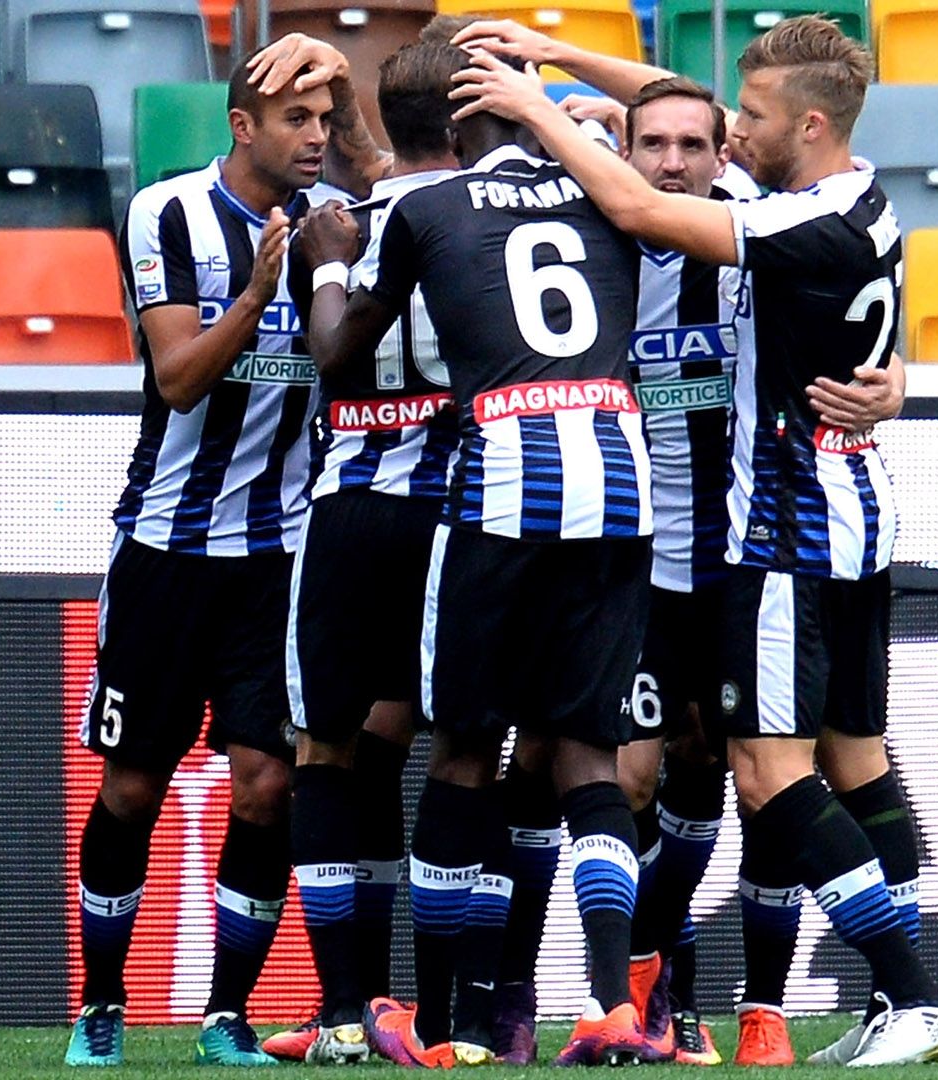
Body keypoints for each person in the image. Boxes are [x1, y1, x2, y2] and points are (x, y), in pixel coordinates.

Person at [452, 15, 938, 1067]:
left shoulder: (781, 224)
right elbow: (681, 122)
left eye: (748, 124)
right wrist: (566, 64)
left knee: (769, 774)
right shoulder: (854, 196)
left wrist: (534, 108)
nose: (726, 140)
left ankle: (912, 993)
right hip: (841, 516)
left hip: (784, 526)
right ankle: (879, 998)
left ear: (809, 125)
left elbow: (642, 200)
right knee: (851, 764)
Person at [303, 60, 657, 1067]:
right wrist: (571, 103)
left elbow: (337, 355)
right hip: (620, 475)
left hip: (504, 479)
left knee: (463, 750)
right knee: (588, 757)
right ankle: (608, 1006)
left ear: (457, 128)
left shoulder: (431, 208)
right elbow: (693, 119)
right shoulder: (608, 185)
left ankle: (445, 1018)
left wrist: (331, 263)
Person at [66, 34, 385, 1069]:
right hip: (166, 547)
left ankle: (226, 1013)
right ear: (241, 126)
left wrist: (343, 73)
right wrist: (255, 296)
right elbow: (178, 381)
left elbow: (394, 172)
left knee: (266, 786)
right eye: (297, 118)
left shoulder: (341, 227)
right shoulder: (167, 214)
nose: (317, 136)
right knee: (130, 790)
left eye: (325, 119)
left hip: (280, 559)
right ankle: (102, 1002)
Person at [271, 41, 468, 1066]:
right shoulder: (487, 214)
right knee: (458, 750)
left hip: (349, 507)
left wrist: (330, 263)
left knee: (330, 751)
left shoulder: (352, 224)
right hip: (460, 510)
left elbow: (327, 347)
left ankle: (348, 1009)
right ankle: (452, 1011)